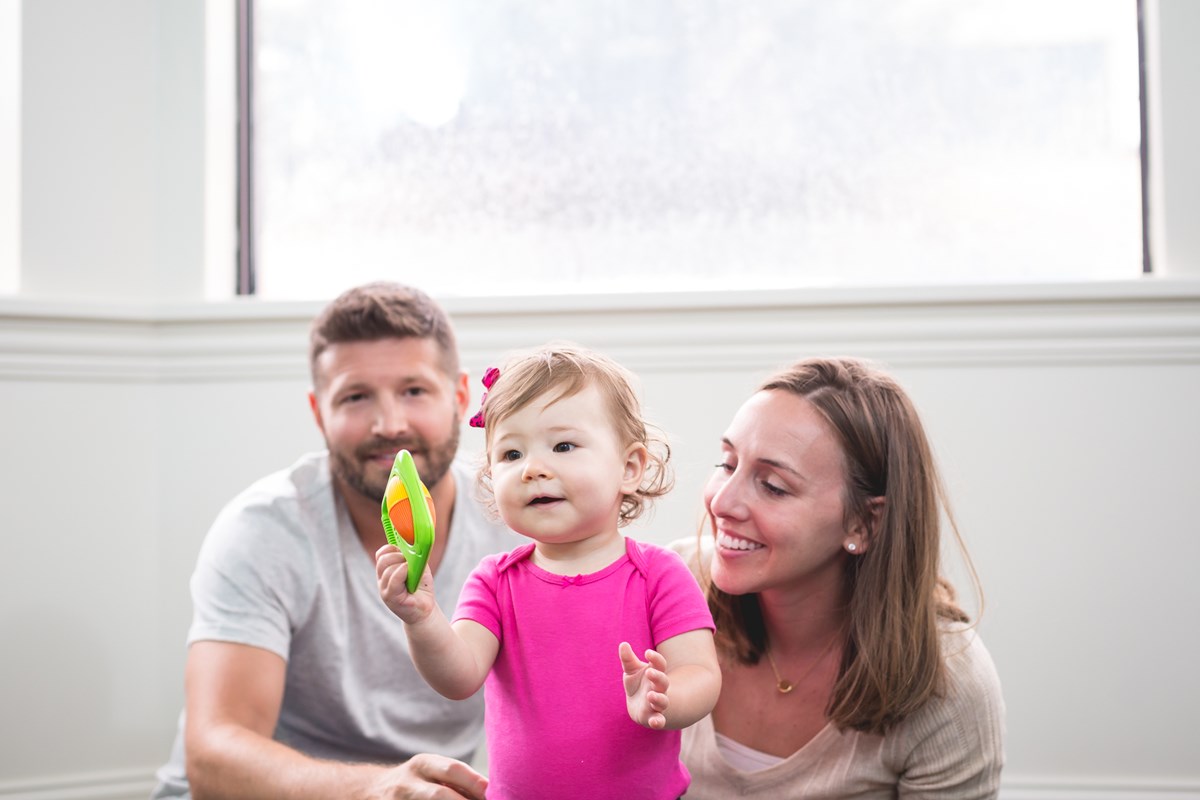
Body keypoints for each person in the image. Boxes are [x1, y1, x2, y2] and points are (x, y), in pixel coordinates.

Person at [152, 282, 522, 800]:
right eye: (355, 397)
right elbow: (214, 758)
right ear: (318, 411)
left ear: (460, 396)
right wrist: (380, 789)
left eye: (414, 391)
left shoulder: (516, 523)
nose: (390, 425)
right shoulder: (264, 530)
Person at [376, 344, 722, 799]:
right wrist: (422, 619)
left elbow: (702, 673)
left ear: (630, 468)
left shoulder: (659, 574)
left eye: (563, 446)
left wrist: (664, 697)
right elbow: (458, 678)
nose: (533, 470)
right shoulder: (494, 581)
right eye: (512, 454)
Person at [676, 357, 1005, 799]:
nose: (723, 502)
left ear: (863, 524)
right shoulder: (659, 590)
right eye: (727, 463)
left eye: (773, 486)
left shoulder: (950, 684)